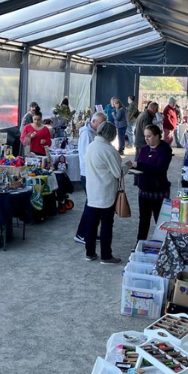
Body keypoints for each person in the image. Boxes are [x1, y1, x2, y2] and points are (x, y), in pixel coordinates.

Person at [75, 121, 127, 264]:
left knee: (92, 224)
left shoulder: (91, 146)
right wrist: (127, 166)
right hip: (105, 193)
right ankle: (106, 255)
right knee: (106, 225)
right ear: (111, 135)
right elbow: (118, 173)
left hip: (92, 192)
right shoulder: (109, 150)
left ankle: (90, 253)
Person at [126, 124, 173, 241]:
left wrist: (140, 166)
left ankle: (164, 244)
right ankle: (139, 243)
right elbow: (140, 164)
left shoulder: (165, 149)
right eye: (145, 136)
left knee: (160, 220)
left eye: (149, 136)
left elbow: (159, 169)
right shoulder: (144, 149)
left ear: (157, 136)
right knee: (143, 219)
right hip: (144, 190)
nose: (146, 139)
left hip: (158, 190)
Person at [75, 112, 107, 243]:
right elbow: (86, 156)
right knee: (90, 205)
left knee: (93, 204)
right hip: (88, 174)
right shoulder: (87, 134)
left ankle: (90, 231)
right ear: (94, 122)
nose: (103, 126)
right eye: (102, 124)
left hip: (92, 173)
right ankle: (81, 233)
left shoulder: (93, 133)